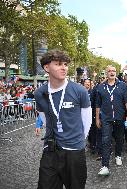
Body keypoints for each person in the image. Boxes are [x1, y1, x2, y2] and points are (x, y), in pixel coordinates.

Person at [34, 49, 92, 189]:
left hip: (74, 152)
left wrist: (76, 140)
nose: (64, 68)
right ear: (46, 67)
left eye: (65, 64)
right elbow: (46, 120)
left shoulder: (80, 91)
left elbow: (87, 121)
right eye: (58, 64)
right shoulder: (39, 93)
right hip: (51, 150)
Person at [96, 65, 127, 176]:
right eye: (109, 71)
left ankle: (118, 155)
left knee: (120, 138)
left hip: (120, 117)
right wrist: (97, 118)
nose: (112, 72)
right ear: (106, 73)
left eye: (114, 71)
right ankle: (105, 165)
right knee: (106, 140)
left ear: (116, 73)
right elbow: (97, 105)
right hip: (106, 118)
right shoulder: (100, 87)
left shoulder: (123, 85)